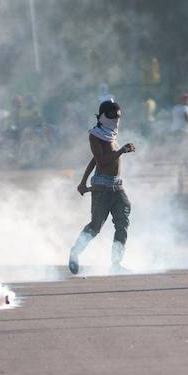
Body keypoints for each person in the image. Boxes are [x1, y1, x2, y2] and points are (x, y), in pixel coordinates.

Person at [69, 101, 136, 275]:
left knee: (122, 223)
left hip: (116, 186)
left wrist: (83, 182)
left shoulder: (111, 135)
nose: (117, 119)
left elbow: (94, 160)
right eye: (113, 116)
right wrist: (121, 151)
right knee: (96, 226)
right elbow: (101, 160)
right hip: (102, 187)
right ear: (104, 116)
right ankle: (75, 252)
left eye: (119, 116)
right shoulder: (95, 135)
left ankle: (116, 264)